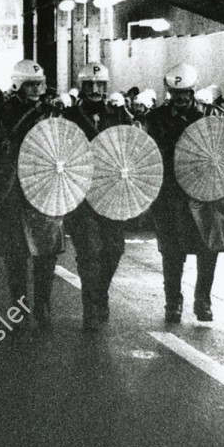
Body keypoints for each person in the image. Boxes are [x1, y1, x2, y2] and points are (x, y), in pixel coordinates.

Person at [143, 64, 224, 324]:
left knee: (208, 249)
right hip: (170, 194)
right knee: (172, 251)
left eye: (185, 92)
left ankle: (203, 300)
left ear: (192, 90)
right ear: (169, 91)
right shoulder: (156, 118)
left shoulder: (213, 115)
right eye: (175, 92)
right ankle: (173, 302)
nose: (180, 97)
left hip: (206, 193)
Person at [62, 62, 137, 331]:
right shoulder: (69, 116)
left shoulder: (119, 115)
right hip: (80, 195)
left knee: (114, 249)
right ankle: (91, 305)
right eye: (90, 86)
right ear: (81, 88)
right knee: (90, 251)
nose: (95, 90)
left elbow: (133, 148)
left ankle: (100, 293)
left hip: (111, 194)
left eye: (100, 85)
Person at [0, 59, 62, 328]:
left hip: (46, 188)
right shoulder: (1, 113)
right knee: (16, 255)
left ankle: (42, 304)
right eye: (30, 84)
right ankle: (18, 308)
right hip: (13, 189)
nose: (35, 89)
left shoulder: (53, 112)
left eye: (39, 84)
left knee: (46, 253)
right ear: (19, 84)